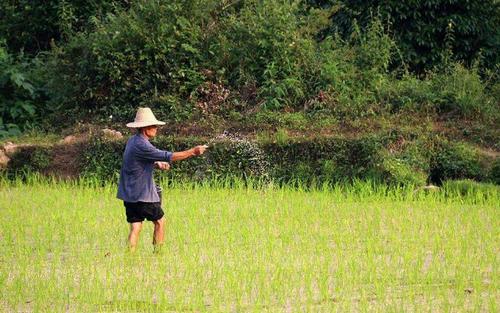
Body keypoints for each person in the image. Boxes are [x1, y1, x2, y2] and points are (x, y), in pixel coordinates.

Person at [117, 107, 207, 252]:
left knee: (136, 226)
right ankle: (158, 254)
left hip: (129, 193)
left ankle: (129, 257)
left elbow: (135, 162)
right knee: (160, 221)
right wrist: (193, 152)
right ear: (145, 128)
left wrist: (155, 163)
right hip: (142, 195)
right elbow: (169, 156)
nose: (157, 129)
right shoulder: (143, 144)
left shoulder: (132, 141)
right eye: (154, 126)